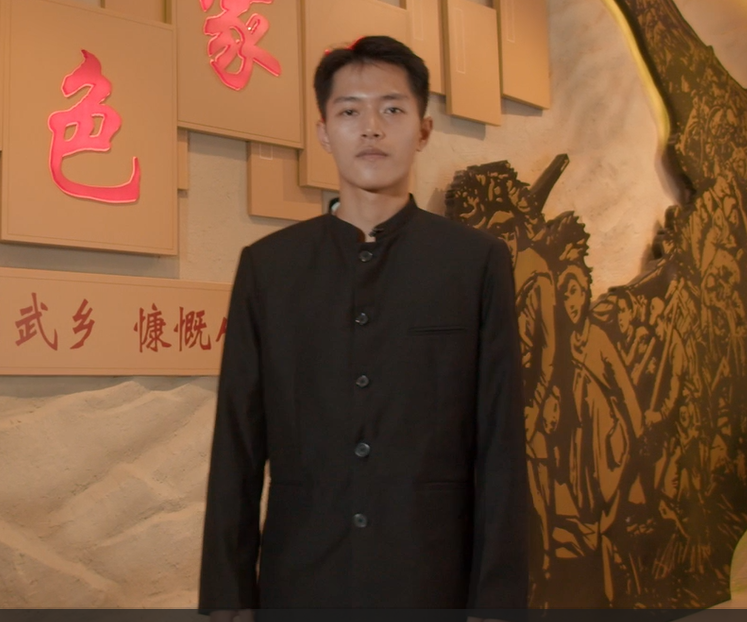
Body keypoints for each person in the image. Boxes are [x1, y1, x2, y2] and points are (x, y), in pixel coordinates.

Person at [199, 36, 528, 615]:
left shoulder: (474, 262)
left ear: (422, 130)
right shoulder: (270, 267)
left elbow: (500, 442)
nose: (371, 129)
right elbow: (238, 442)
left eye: (392, 109)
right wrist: (229, 595)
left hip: (432, 577)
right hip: (301, 578)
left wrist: (497, 600)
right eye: (349, 111)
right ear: (324, 132)